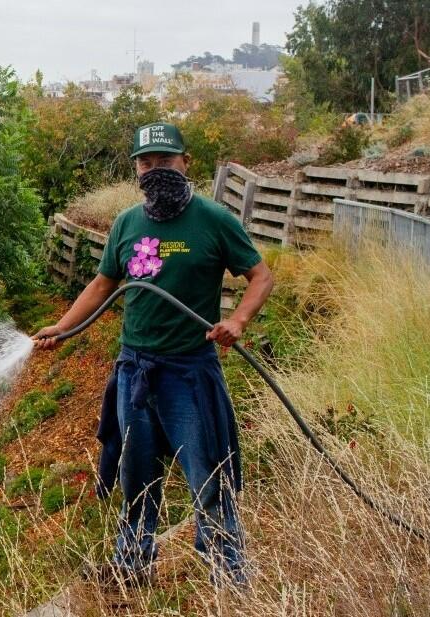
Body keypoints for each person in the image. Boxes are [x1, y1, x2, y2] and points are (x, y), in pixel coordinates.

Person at [32, 122, 274, 587]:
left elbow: (260, 276)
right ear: (135, 169)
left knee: (208, 470)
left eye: (165, 160)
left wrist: (237, 321)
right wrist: (63, 328)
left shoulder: (215, 221)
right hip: (135, 369)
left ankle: (228, 570)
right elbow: (103, 283)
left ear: (186, 163)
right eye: (146, 162)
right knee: (136, 471)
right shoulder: (126, 223)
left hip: (190, 370)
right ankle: (133, 562)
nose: (155, 169)